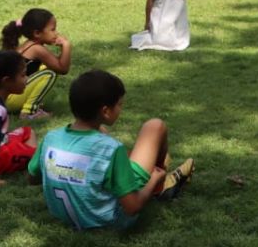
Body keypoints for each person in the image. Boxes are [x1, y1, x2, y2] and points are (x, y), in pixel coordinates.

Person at [28, 70, 194, 230]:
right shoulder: (112, 149)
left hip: (64, 217)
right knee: (155, 126)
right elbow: (132, 208)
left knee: (102, 134)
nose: (121, 109)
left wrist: (63, 172)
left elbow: (33, 178)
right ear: (105, 111)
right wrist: (154, 180)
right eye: (120, 104)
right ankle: (161, 186)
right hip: (109, 221)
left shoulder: (51, 138)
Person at [0, 8, 72, 119]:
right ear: (37, 33)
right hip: (11, 100)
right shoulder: (37, 49)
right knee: (50, 73)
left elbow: (55, 63)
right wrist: (66, 46)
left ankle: (31, 104)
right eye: (52, 30)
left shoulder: (29, 44)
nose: (56, 34)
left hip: (6, 98)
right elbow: (62, 69)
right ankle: (29, 111)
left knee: (45, 67)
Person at [0, 50, 37, 188]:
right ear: (6, 81)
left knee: (27, 131)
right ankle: (34, 162)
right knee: (34, 154)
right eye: (23, 75)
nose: (27, 79)